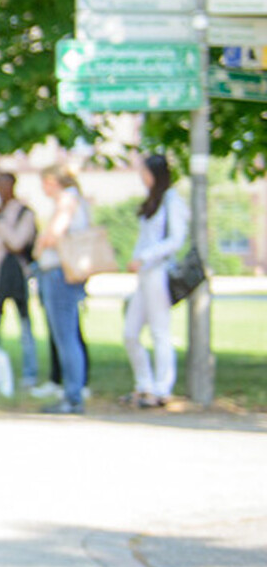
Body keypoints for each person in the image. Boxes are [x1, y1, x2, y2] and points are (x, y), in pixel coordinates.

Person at [122, 153, 188, 409]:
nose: (141, 176)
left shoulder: (172, 200)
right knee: (130, 333)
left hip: (159, 271)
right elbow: (145, 237)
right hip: (144, 274)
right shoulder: (152, 201)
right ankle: (144, 384)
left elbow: (175, 240)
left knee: (160, 331)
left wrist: (146, 257)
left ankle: (162, 388)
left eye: (144, 171)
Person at [33, 163, 92, 415]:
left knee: (65, 336)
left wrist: (40, 244)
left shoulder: (67, 200)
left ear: (53, 182)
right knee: (67, 335)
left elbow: (53, 235)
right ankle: (72, 392)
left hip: (59, 274)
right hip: (63, 274)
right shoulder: (76, 199)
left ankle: (72, 395)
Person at [0, 172, 39, 390]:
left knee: (25, 325)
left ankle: (30, 373)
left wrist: (1, 228)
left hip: (18, 277)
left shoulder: (24, 213)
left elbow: (17, 243)